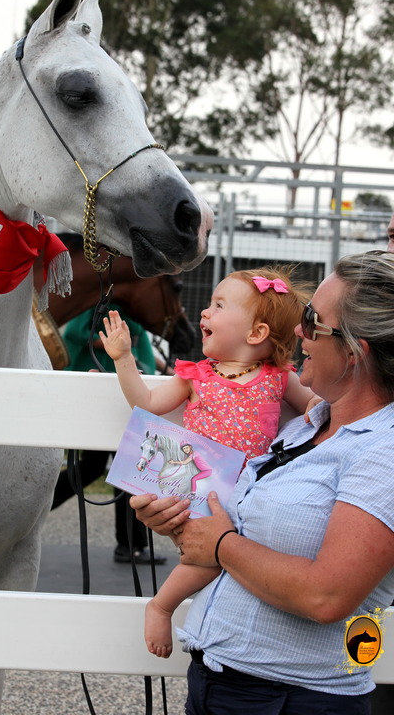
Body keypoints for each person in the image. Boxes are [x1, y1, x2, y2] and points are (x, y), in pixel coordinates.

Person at [130, 250, 394, 714]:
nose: (296, 330)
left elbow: (326, 595)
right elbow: (247, 529)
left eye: (313, 320)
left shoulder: (383, 451)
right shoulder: (307, 425)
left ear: (355, 352)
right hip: (224, 682)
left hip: (290, 698)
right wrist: (182, 525)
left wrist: (220, 544)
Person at [99, 266, 316, 657]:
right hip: (201, 491)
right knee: (206, 558)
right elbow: (146, 405)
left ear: (256, 334)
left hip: (255, 492)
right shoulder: (195, 377)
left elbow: (316, 410)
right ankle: (161, 605)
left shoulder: (279, 377)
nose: (204, 312)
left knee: (253, 555)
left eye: (218, 305)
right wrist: (123, 358)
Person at [51, 304, 167, 565]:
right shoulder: (99, 306)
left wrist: (162, 370)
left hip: (124, 394)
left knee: (111, 467)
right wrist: (118, 354)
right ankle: (131, 545)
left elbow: (138, 346)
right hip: (106, 395)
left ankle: (130, 545)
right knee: (113, 468)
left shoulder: (131, 310)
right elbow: (74, 335)